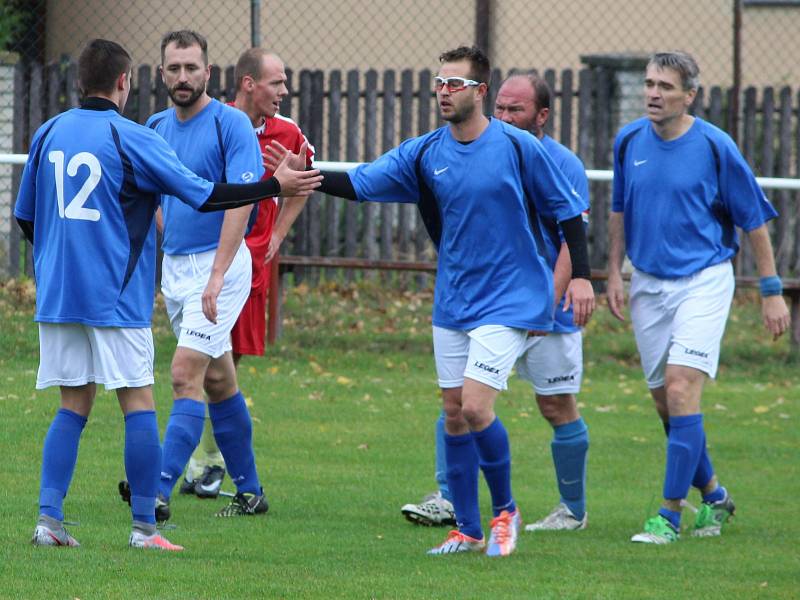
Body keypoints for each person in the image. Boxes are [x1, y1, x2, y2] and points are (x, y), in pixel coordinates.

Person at [272, 46, 595, 557]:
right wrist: (303, 176)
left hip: (510, 299)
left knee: (475, 405)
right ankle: (466, 530)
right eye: (440, 82)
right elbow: (359, 183)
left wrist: (581, 277)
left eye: (455, 83)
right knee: (453, 413)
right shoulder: (424, 152)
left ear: (480, 91)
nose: (444, 91)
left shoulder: (517, 147)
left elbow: (568, 213)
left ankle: (505, 512)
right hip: (454, 300)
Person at [14, 39, 320, 550]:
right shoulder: (133, 135)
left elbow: (26, 216)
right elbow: (204, 194)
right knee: (139, 403)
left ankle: (48, 521)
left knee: (73, 405)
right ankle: (145, 528)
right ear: (126, 81)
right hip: (115, 296)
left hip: (59, 296)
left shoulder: (48, 132)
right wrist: (273, 187)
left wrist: (61, 259)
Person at [607, 51, 790, 544]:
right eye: (649, 83)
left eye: (665, 86)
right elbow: (619, 210)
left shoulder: (715, 145)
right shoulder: (628, 141)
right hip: (647, 282)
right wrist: (614, 274)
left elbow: (752, 218)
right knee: (668, 404)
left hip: (704, 280)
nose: (653, 93)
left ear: (689, 95)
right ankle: (713, 495)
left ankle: (668, 515)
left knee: (682, 388)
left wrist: (771, 292)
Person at [400, 72, 591, 533]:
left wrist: (548, 301)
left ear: (542, 115)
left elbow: (571, 236)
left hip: (545, 304)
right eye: (500, 107)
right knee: (461, 402)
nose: (504, 117)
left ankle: (572, 510)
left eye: (515, 110)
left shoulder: (561, 162)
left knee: (556, 407)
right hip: (489, 302)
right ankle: (450, 499)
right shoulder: (478, 148)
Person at [147, 30, 312, 521]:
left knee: (184, 374)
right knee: (219, 380)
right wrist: (168, 241)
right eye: (173, 68)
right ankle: (251, 492)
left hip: (221, 265)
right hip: (177, 268)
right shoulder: (155, 125)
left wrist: (217, 275)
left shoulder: (230, 125)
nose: (182, 77)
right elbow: (155, 197)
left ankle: (155, 488)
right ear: (161, 74)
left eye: (191, 68)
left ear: (208, 73)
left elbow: (241, 203)